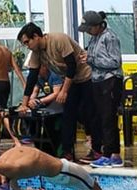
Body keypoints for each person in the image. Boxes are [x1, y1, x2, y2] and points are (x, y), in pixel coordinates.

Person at [17, 22, 98, 162]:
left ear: (36, 36)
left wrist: (64, 91)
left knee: (87, 113)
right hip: (70, 79)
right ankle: (67, 152)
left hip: (85, 76)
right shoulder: (36, 53)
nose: (27, 46)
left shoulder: (58, 39)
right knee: (68, 115)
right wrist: (24, 104)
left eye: (27, 42)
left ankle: (96, 149)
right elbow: (32, 78)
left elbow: (72, 66)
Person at [79, 11, 124, 168]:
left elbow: (115, 61)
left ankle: (110, 154)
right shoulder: (94, 38)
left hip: (110, 81)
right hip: (97, 80)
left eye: (89, 29)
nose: (87, 32)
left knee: (108, 118)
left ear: (97, 25)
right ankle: (112, 154)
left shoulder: (109, 37)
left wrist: (91, 59)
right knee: (100, 118)